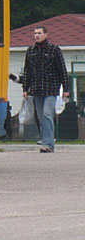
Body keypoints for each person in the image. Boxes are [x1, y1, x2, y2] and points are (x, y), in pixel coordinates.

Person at [22, 24, 69, 153]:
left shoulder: (54, 50)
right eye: (35, 33)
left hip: (51, 88)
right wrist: (25, 89)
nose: (36, 35)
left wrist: (66, 88)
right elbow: (27, 71)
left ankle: (49, 143)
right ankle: (45, 139)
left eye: (39, 33)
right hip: (36, 89)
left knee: (48, 114)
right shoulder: (31, 51)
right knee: (41, 117)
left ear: (45, 34)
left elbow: (62, 70)